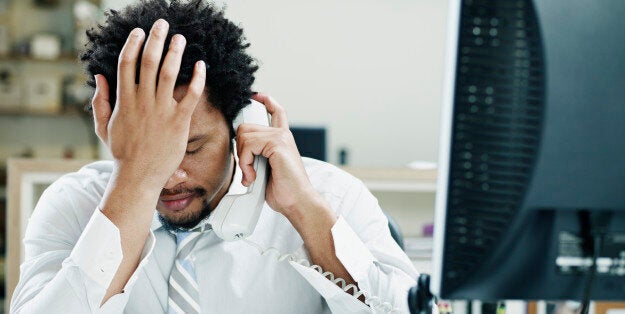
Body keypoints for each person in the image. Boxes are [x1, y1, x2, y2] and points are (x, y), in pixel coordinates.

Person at [11, 0, 418, 313]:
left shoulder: (333, 195)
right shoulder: (73, 205)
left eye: (191, 148)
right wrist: (134, 179)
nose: (170, 176)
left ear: (241, 124)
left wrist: (307, 212)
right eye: (151, 150)